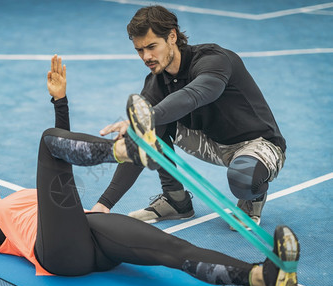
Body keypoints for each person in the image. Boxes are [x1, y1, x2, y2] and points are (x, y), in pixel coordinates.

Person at [0, 56, 299, 286]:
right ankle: (125, 150)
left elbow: (61, 165)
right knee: (47, 142)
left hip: (91, 236)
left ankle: (263, 277)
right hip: (59, 254)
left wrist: (59, 99)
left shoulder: (21, 197)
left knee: (172, 247)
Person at [93, 5, 286, 229]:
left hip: (257, 144)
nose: (146, 56)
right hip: (210, 142)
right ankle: (175, 200)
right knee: (145, 130)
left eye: (152, 47)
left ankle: (252, 198)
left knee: (243, 176)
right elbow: (139, 143)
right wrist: (104, 205)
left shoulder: (214, 59)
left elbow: (194, 95)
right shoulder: (156, 83)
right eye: (139, 50)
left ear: (172, 36)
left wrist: (146, 117)